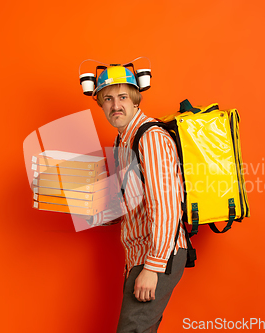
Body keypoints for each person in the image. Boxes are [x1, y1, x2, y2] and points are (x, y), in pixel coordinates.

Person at [87, 65, 188, 332]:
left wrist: (153, 268)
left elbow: (166, 205)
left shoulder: (149, 137)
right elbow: (129, 202)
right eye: (107, 98)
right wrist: (91, 211)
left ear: (135, 98)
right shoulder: (123, 140)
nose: (115, 105)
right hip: (139, 256)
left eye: (122, 97)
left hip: (158, 255)